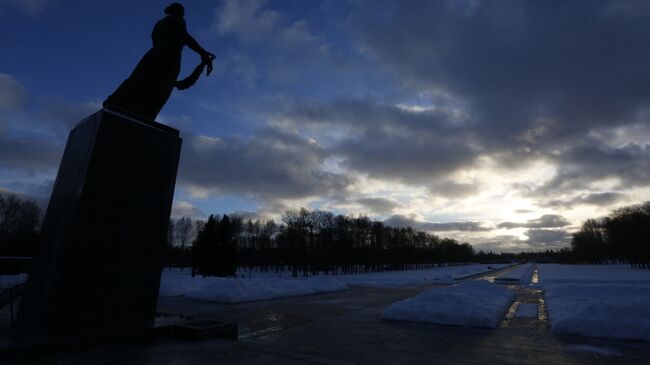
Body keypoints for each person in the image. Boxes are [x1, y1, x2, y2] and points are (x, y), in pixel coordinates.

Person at [103, 2, 214, 121]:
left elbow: (182, 84)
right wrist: (202, 53)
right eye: (182, 11)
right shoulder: (176, 19)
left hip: (154, 55)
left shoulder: (158, 25)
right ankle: (131, 113)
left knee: (141, 82)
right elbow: (185, 36)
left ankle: (121, 107)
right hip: (168, 57)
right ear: (178, 11)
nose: (183, 14)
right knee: (154, 90)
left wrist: (201, 63)